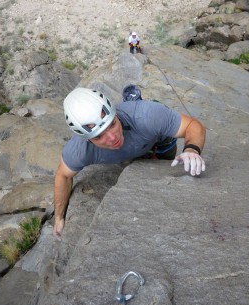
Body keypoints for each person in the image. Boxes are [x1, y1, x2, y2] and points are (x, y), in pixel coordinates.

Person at [53, 87, 206, 240]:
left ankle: (134, 102)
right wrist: (59, 218)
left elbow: (192, 125)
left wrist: (192, 150)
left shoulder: (147, 115)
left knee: (163, 155)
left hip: (154, 137)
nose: (112, 137)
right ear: (87, 139)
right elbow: (63, 176)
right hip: (141, 136)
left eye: (112, 124)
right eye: (99, 136)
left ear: (115, 114)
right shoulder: (79, 150)